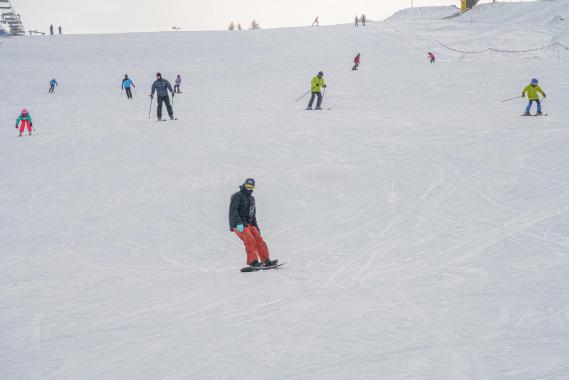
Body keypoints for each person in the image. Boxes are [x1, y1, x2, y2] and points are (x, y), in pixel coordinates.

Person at [229, 178, 278, 268]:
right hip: (239, 224)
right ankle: (253, 262)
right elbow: (233, 210)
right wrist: (238, 223)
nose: (249, 188)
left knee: (259, 241)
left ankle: (265, 261)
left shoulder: (252, 198)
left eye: (251, 187)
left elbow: (252, 214)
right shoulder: (237, 196)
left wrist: (256, 227)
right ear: (244, 185)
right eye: (247, 186)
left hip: (249, 223)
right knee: (250, 240)